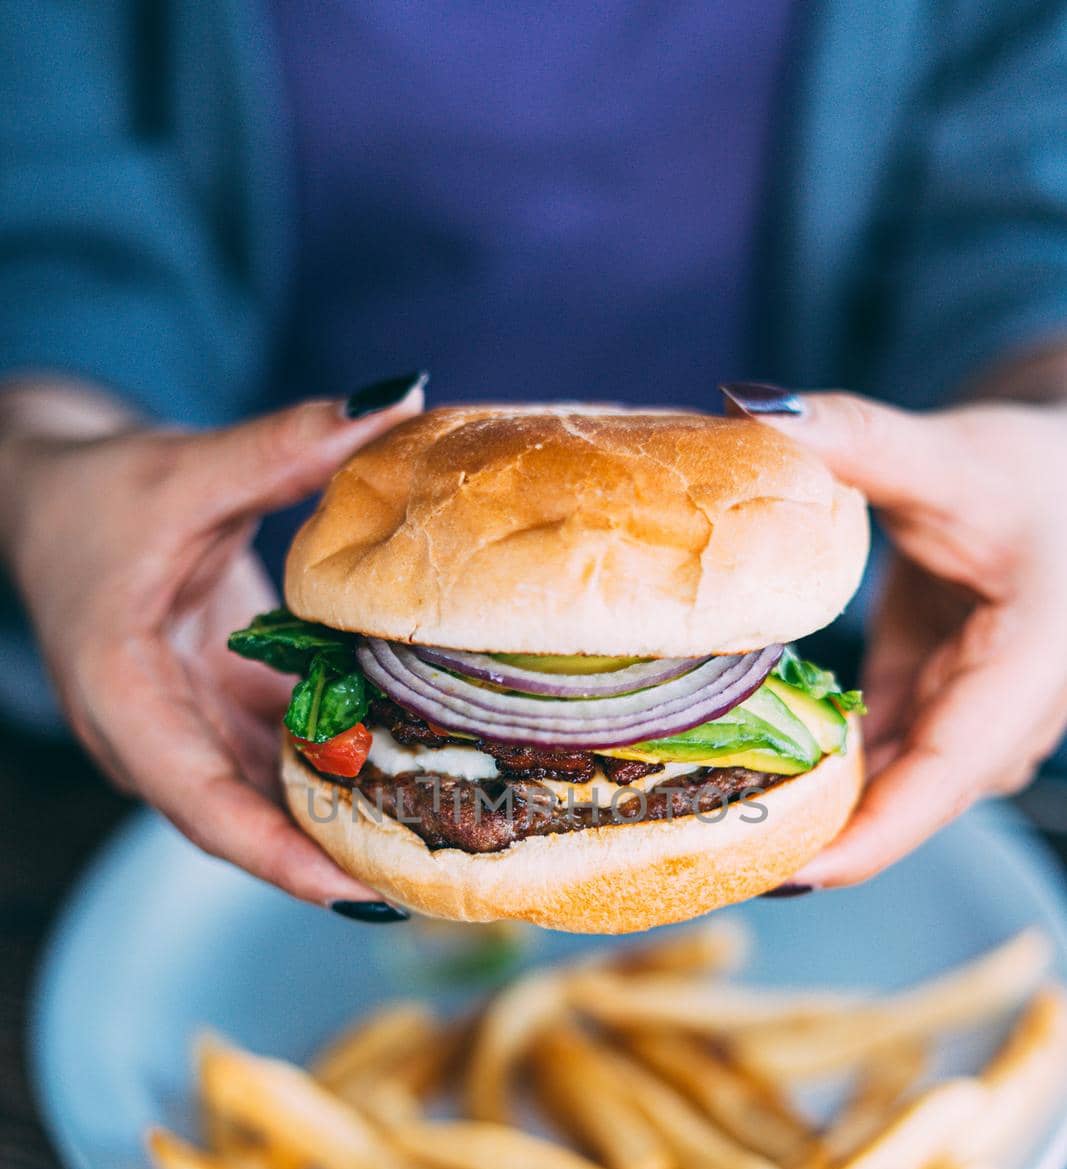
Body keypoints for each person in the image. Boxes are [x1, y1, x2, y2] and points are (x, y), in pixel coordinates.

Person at [1, 3, 1066, 916]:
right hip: (188, 636)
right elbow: (51, 223)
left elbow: (1023, 225)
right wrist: (42, 456)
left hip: (874, 638)